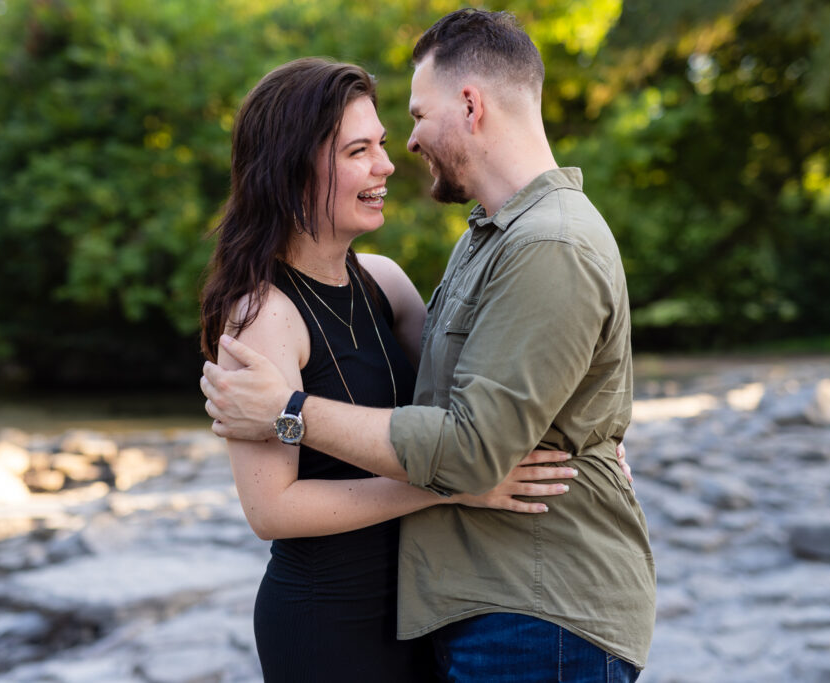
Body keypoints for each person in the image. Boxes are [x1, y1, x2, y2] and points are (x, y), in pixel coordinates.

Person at [201, 9, 655, 682]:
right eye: (359, 151)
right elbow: (270, 509)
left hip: (426, 607)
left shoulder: (389, 282)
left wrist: (592, 437)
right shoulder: (262, 311)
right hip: (332, 617)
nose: (391, 159)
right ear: (295, 168)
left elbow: (502, 395)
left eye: (388, 137)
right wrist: (448, 491)